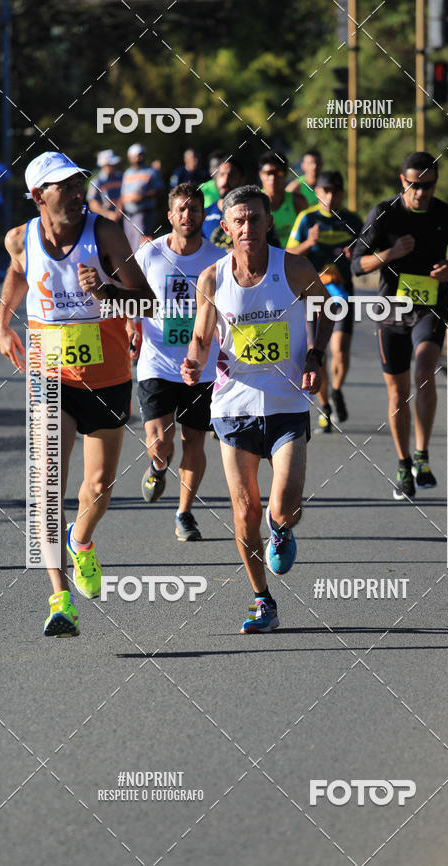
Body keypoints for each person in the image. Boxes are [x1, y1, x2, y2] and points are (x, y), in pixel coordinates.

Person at [0, 151, 154, 636]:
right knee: (48, 485)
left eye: (78, 180)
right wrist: (4, 323)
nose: (76, 189)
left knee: (98, 487)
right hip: (49, 372)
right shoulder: (19, 238)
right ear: (39, 195)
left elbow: (145, 297)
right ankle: (59, 599)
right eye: (64, 184)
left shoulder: (103, 231)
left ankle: (81, 540)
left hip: (107, 375)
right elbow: (20, 272)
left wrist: (106, 291)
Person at [181, 185, 334, 634]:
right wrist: (193, 360)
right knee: (244, 509)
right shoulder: (212, 278)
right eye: (239, 221)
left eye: (255, 219)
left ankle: (281, 527)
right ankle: (262, 600)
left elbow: (327, 310)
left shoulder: (295, 267)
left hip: (286, 401)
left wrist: (314, 356)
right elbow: (201, 336)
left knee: (284, 503)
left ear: (269, 223)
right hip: (233, 405)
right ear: (226, 228)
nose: (248, 227)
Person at [351, 151, 448, 499]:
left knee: (424, 372)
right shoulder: (383, 213)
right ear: (402, 181)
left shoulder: (446, 214)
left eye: (428, 186)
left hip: (430, 307)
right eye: (414, 185)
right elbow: (357, 265)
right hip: (391, 311)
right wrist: (391, 254)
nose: (421, 193)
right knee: (397, 392)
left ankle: (422, 455)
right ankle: (403, 463)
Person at [135, 183, 225, 540]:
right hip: (156, 360)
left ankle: (184, 513)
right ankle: (158, 467)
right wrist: (130, 326)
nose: (189, 216)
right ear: (170, 216)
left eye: (195, 209)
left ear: (204, 214)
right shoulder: (149, 255)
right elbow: (131, 293)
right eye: (182, 210)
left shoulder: (218, 259)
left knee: (195, 441)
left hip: (201, 364)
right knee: (160, 441)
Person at [287, 170, 362, 431]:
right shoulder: (306, 218)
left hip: (342, 293)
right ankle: (325, 405)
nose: (330, 196)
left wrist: (356, 257)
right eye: (325, 191)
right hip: (313, 294)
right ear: (317, 192)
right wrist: (309, 242)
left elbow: (366, 256)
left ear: (341, 193)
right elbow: (288, 253)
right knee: (317, 352)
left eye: (335, 191)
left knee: (340, 351)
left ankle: (338, 391)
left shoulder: (352, 220)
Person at [258, 151, 307, 248]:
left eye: (277, 172)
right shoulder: (253, 203)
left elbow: (307, 235)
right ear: (260, 175)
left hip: (293, 259)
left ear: (285, 175)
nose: (272, 178)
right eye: (268, 173)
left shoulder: (298, 202)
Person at [121, 143, 163, 253]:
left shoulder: (151, 171)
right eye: (136, 155)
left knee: (142, 247)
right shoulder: (127, 173)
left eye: (141, 155)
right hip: (128, 215)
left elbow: (159, 190)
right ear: (130, 157)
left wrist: (142, 196)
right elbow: (123, 195)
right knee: (130, 247)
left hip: (143, 214)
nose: (139, 157)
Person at [201, 156, 244, 250]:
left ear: (241, 180)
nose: (226, 180)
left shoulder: (253, 215)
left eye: (231, 175)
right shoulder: (203, 216)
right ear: (215, 180)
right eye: (221, 175)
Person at [87, 149, 123, 223]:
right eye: (111, 164)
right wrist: (108, 214)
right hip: (105, 220)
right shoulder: (96, 182)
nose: (115, 166)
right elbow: (92, 203)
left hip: (123, 217)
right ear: (104, 165)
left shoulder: (120, 177)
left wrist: (119, 211)